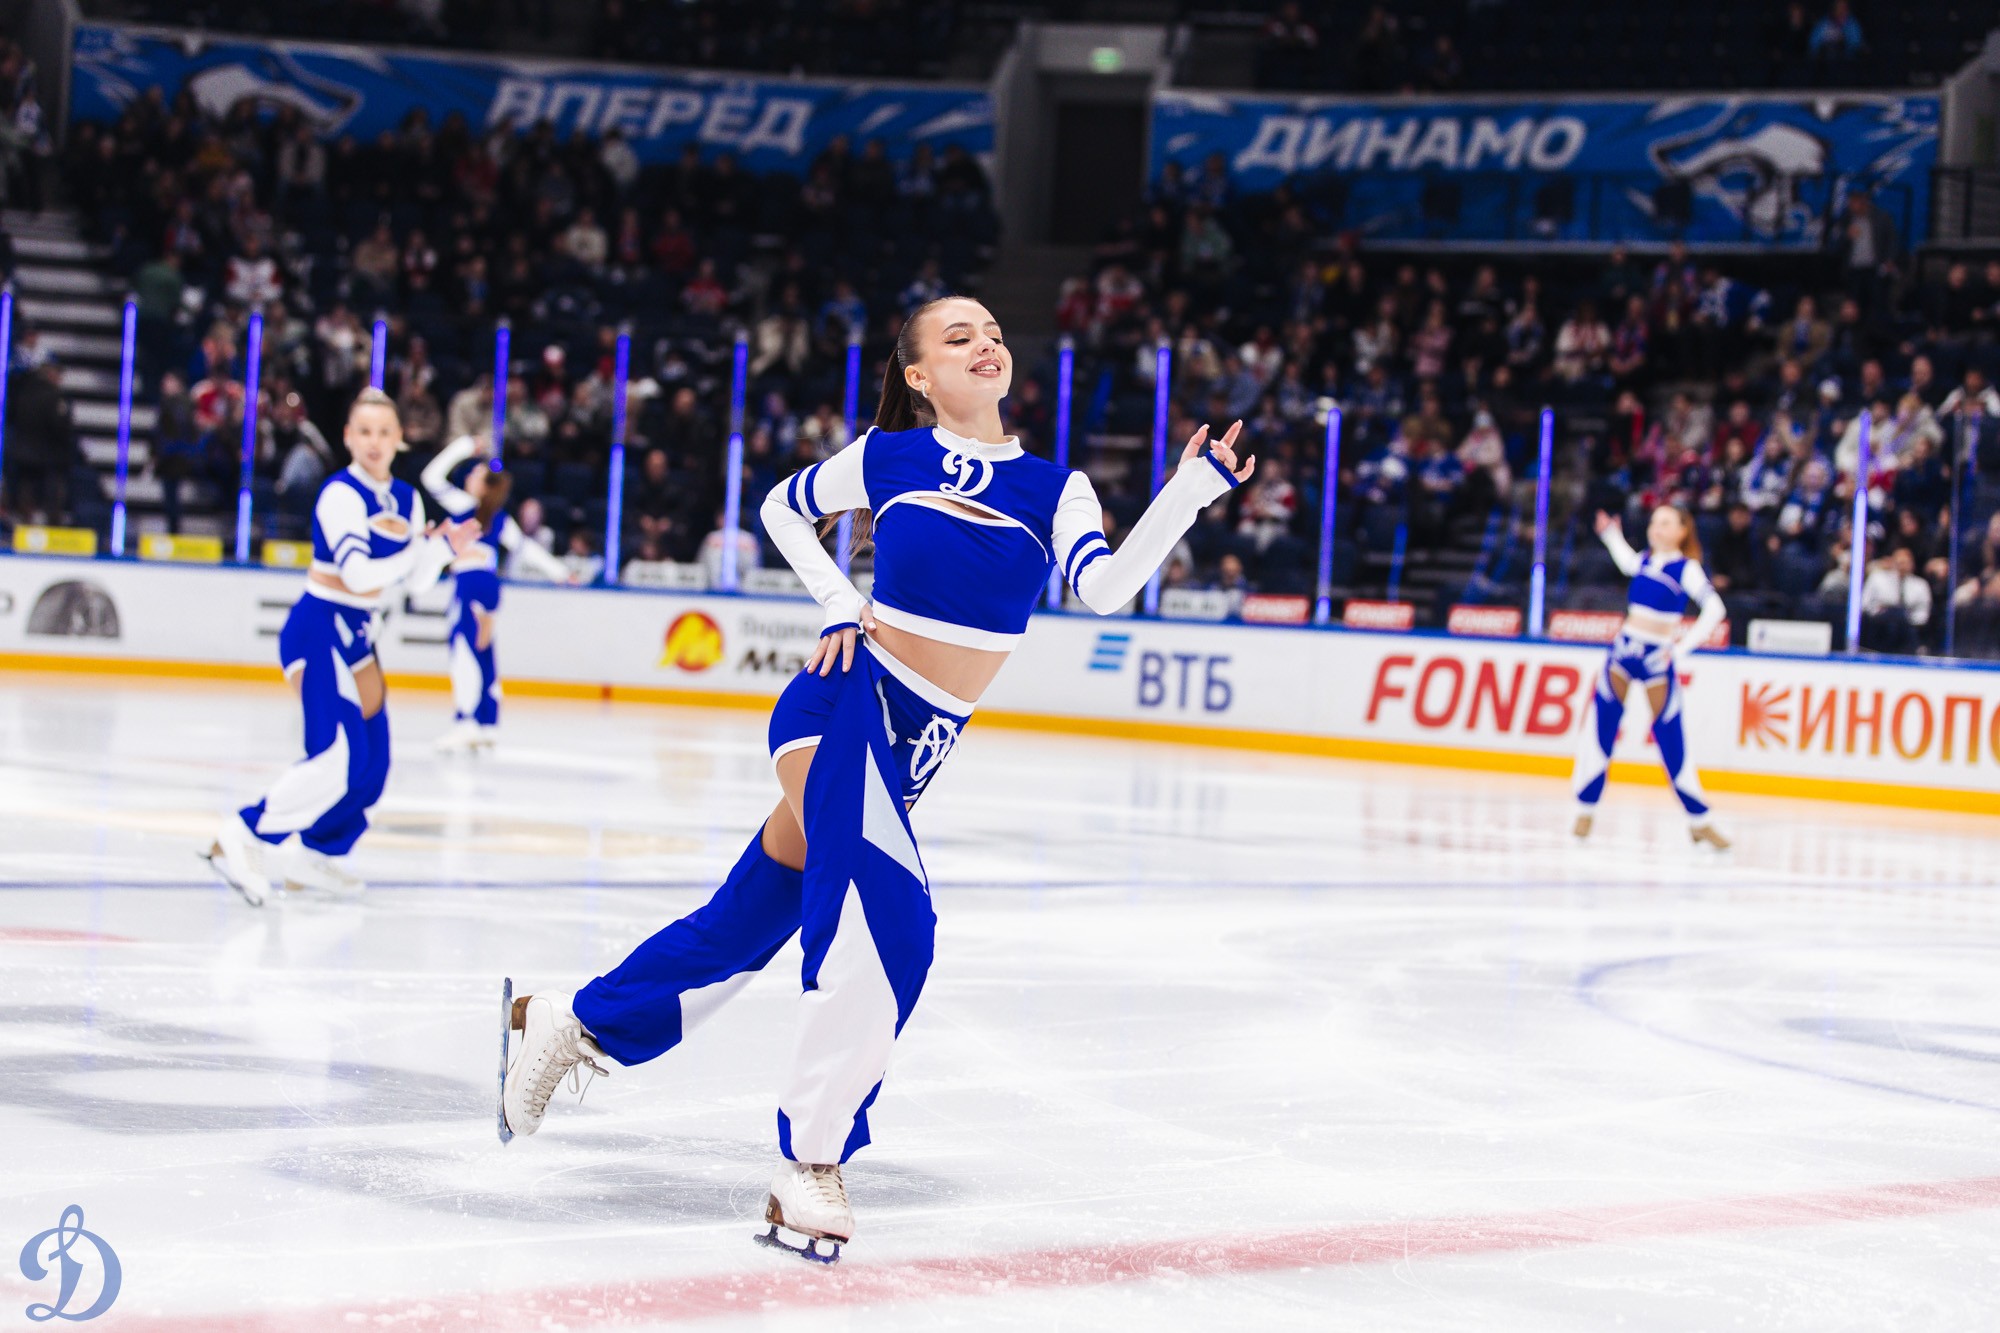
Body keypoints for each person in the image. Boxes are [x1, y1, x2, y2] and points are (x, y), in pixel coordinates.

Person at [496, 296, 1251, 1262]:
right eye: (959, 337)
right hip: (840, 703)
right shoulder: (888, 456)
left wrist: (1188, 492)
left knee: (743, 925)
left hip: (918, 746)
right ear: (920, 375)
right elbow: (781, 507)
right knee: (894, 923)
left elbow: (1102, 589)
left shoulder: (1056, 488)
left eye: (993, 332)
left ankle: (573, 1021)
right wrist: (837, 602)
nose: (986, 344)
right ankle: (809, 1161)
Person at [203, 389, 479, 905]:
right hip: (319, 627)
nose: (375, 441)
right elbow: (357, 574)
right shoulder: (340, 495)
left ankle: (317, 855)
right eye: (365, 431)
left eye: (384, 432)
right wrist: (423, 550)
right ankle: (243, 834)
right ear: (349, 437)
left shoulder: (408, 498)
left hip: (359, 636)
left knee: (372, 764)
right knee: (335, 756)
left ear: (399, 439)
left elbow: (416, 581)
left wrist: (440, 551)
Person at [1572, 506, 1731, 849]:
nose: (1656, 528)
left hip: (1657, 658)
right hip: (1623, 650)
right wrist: (1610, 535)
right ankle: (1585, 808)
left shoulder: (1686, 568)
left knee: (1670, 738)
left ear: (1682, 531)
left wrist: (1681, 650)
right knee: (1601, 728)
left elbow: (1715, 609)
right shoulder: (1644, 560)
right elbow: (1627, 562)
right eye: (1654, 522)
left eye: (1666, 523)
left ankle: (1699, 819)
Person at [421, 433, 575, 752]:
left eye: (476, 474)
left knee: (464, 650)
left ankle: (465, 722)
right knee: (483, 651)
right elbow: (525, 548)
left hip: (469, 582)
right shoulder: (498, 518)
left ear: (483, 487)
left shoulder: (465, 506)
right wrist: (558, 571)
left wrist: (464, 446)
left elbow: (431, 477)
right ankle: (487, 721)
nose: (470, 475)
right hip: (489, 584)